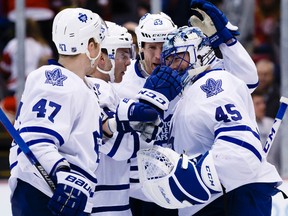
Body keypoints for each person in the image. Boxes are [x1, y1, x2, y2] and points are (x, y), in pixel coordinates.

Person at [136, 1, 282, 215]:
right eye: (169, 61)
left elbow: (239, 150)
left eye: (180, 57)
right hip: (206, 200)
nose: (173, 66)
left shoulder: (212, 84)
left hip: (229, 196)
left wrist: (193, 175)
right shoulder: (183, 92)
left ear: (201, 52)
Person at [8, 8, 107, 215]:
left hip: (66, 194)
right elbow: (37, 139)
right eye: (98, 44)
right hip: (47, 194)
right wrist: (63, 174)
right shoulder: (56, 81)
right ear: (90, 46)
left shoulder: (78, 84)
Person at [113, 12, 179, 216]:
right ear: (140, 48)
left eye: (164, 47)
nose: (159, 56)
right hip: (129, 192)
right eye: (152, 47)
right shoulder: (121, 79)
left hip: (169, 189)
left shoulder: (185, 77)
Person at [86, 21, 139, 215]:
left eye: (130, 54)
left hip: (104, 202)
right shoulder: (99, 89)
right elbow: (123, 148)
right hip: (104, 206)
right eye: (123, 55)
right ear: (101, 58)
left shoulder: (105, 89)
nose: (128, 62)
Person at [252, 90, 281, 173]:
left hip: (276, 174)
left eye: (263, 103)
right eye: (258, 104)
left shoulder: (274, 124)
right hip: (253, 176)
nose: (263, 107)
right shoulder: (244, 127)